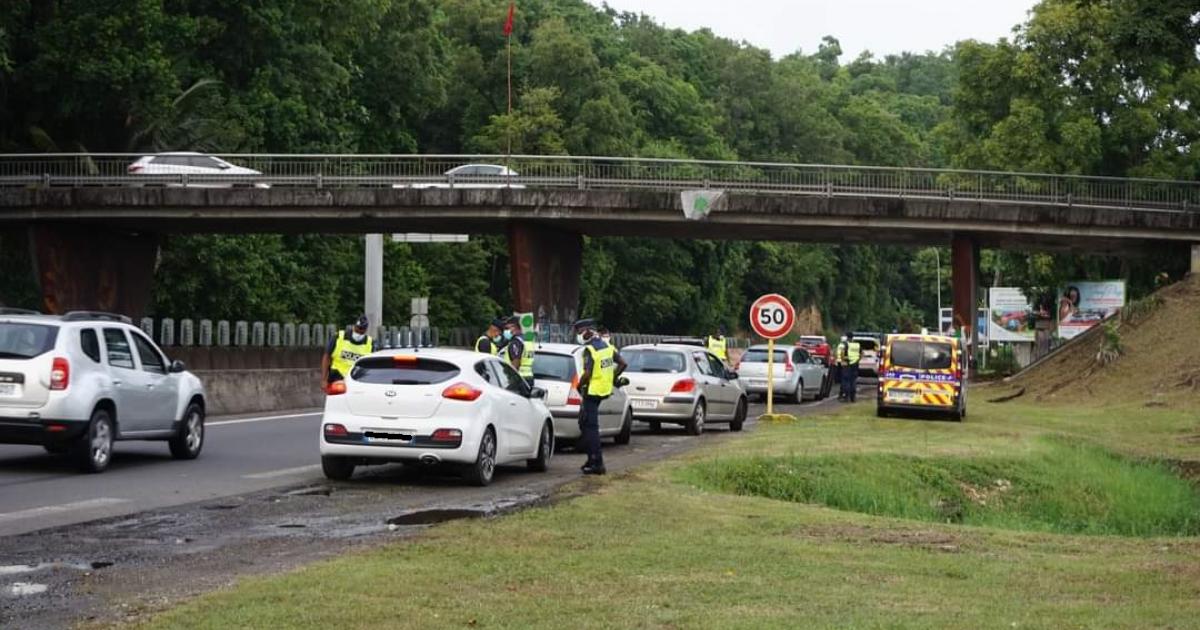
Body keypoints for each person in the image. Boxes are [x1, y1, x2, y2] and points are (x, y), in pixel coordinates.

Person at [573, 318, 626, 475]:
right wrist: (613, 379)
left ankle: (597, 463)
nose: (579, 336)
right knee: (585, 423)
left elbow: (587, 374)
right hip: (603, 390)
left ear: (587, 331)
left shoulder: (590, 350)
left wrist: (578, 385)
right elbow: (623, 363)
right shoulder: (607, 346)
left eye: (580, 332)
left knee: (591, 428)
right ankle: (591, 459)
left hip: (592, 391)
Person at [322, 315, 374, 386]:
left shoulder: (370, 343)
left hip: (357, 382)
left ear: (365, 330)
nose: (358, 333)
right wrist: (324, 380)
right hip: (336, 379)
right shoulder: (339, 337)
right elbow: (326, 357)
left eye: (361, 332)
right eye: (357, 330)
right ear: (354, 326)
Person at [836, 333, 861, 403]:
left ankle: (846, 396)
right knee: (853, 380)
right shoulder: (857, 345)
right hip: (855, 364)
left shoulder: (846, 345)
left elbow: (842, 354)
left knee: (846, 380)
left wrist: (843, 360)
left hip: (847, 364)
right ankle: (853, 397)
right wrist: (857, 360)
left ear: (847, 337)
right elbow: (861, 353)